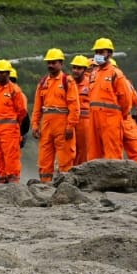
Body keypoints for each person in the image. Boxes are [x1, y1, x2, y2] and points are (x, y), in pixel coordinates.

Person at [82, 38, 136, 162]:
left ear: (110, 54)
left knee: (112, 153)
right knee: (94, 154)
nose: (98, 55)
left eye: (102, 52)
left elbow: (126, 99)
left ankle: (114, 180)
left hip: (111, 119)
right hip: (94, 118)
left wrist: (118, 115)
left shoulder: (115, 73)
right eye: (97, 52)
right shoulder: (94, 74)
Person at [32, 48, 81, 183]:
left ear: (61, 63)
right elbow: (37, 107)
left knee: (65, 157)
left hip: (62, 123)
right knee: (44, 158)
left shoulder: (67, 81)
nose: (50, 65)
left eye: (53, 63)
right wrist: (35, 124)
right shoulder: (43, 83)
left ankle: (66, 185)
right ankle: (44, 185)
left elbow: (74, 106)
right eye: (49, 63)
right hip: (46, 124)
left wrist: (71, 125)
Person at [0, 60, 27, 183]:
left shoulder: (14, 90)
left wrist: (13, 124)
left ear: (8, 73)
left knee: (11, 157)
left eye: (1, 72)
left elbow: (22, 111)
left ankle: (13, 182)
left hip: (9, 130)